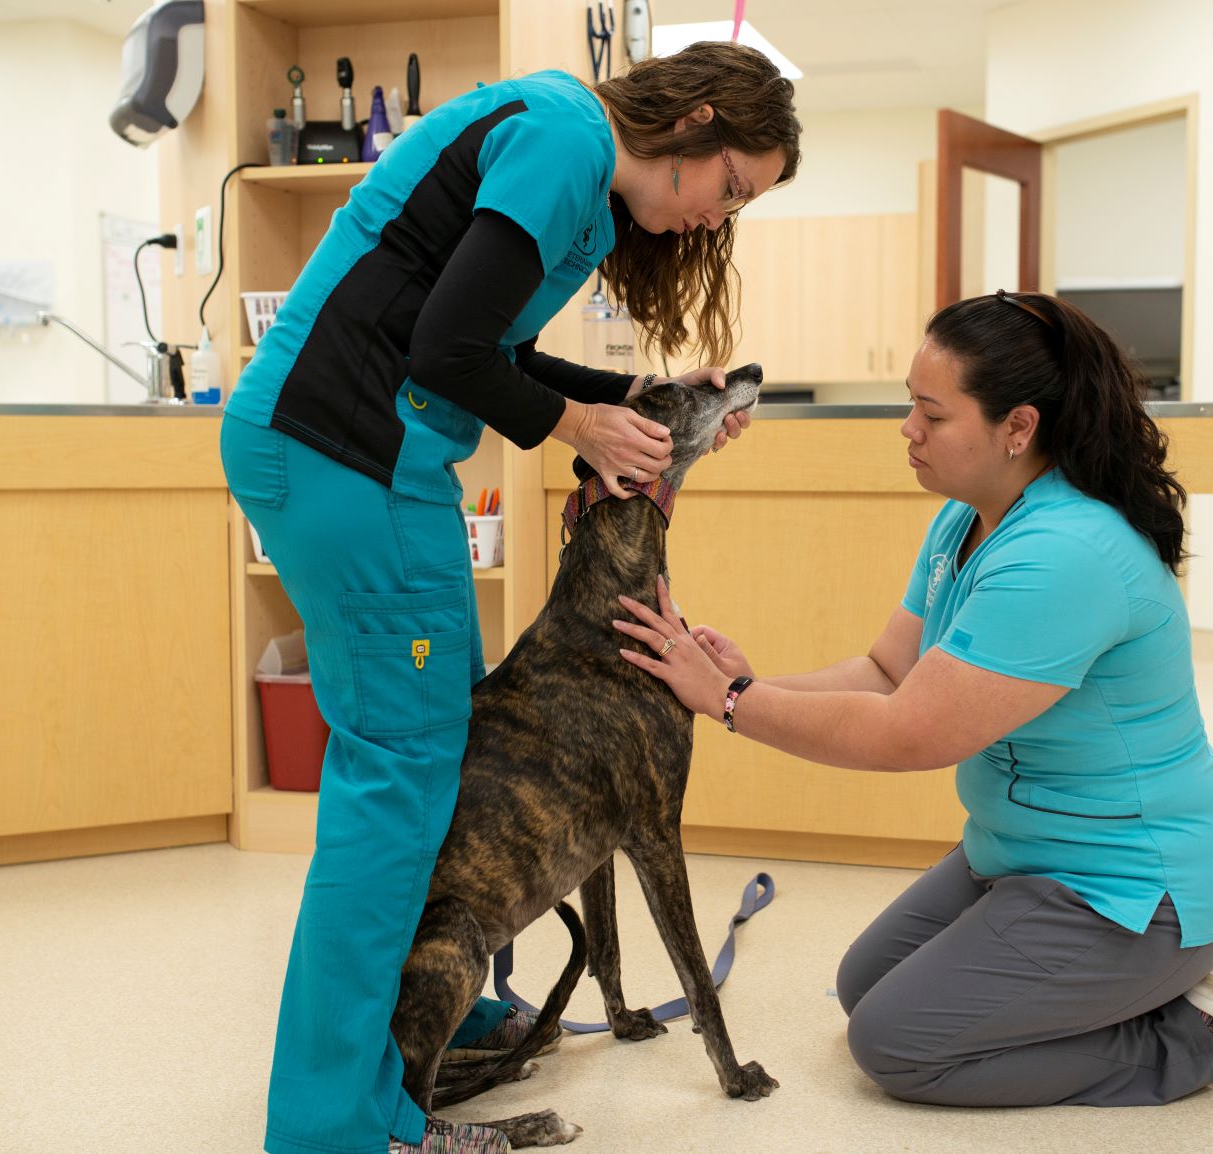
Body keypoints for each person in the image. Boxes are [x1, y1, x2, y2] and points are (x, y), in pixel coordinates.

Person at [219, 43, 801, 1154]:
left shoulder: (575, 173)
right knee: (397, 769)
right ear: (700, 118)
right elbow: (445, 350)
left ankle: (438, 1019)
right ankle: (340, 1124)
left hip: (362, 457)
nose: (715, 219)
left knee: (428, 745)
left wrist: (629, 395)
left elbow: (493, 345)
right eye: (731, 187)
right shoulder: (565, 142)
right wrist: (579, 427)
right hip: (347, 453)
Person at [614, 290, 1213, 1108]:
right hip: (1023, 855)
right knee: (863, 987)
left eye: (931, 413)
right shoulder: (966, 521)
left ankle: (1197, 1040)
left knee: (899, 1047)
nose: (908, 430)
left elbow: (907, 734)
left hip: (1135, 885)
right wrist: (752, 682)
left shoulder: (1066, 554)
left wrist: (732, 701)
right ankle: (1125, 989)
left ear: (1017, 428)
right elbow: (888, 672)